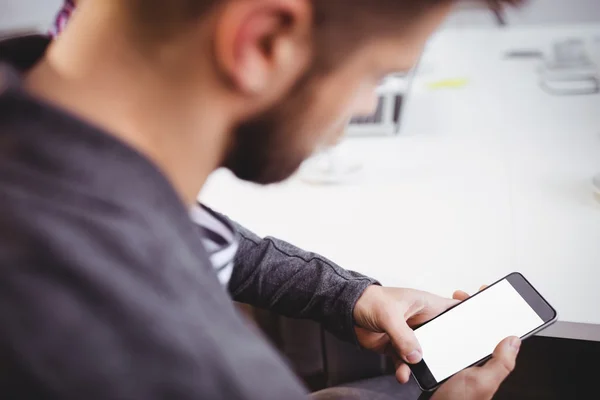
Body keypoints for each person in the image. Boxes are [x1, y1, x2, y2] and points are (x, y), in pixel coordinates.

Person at [0, 0, 521, 399]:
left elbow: (200, 235)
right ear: (265, 40)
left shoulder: (45, 131)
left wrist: (348, 295)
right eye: (376, 75)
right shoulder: (178, 365)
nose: (365, 105)